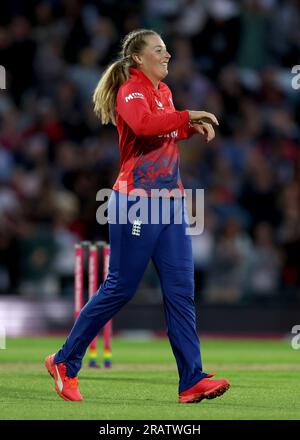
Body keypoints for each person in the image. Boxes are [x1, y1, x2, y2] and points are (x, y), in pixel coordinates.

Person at [45, 29, 230, 403]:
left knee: (181, 291)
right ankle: (65, 361)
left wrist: (187, 128)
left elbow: (162, 132)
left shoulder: (163, 92)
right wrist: (188, 114)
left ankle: (191, 379)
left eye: (167, 49)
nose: (168, 56)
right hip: (136, 203)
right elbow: (144, 125)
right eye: (159, 50)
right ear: (137, 59)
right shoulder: (130, 89)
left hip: (171, 204)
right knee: (121, 287)